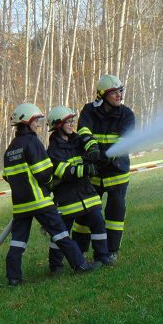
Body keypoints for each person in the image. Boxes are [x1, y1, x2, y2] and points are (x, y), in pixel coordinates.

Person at [3, 103, 101, 286]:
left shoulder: (10, 149)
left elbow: (7, 176)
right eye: (36, 121)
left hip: (20, 204)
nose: (39, 125)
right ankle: (79, 264)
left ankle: (13, 277)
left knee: (18, 241)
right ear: (27, 121)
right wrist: (50, 185)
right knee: (61, 233)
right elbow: (45, 172)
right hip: (40, 201)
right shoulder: (32, 142)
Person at [46, 105, 113, 273]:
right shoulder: (53, 150)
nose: (71, 124)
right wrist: (86, 169)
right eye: (68, 122)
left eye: (72, 121)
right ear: (58, 125)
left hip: (86, 194)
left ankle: (102, 257)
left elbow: (88, 142)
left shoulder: (77, 140)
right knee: (61, 234)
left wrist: (96, 152)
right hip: (67, 198)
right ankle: (55, 266)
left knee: (98, 222)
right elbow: (63, 171)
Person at [77, 74, 135, 264]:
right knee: (85, 213)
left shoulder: (127, 114)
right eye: (114, 92)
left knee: (115, 212)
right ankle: (79, 251)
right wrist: (92, 148)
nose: (119, 95)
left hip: (117, 172)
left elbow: (124, 142)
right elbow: (84, 131)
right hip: (93, 173)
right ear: (102, 96)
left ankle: (111, 252)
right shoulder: (88, 111)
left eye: (120, 91)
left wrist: (105, 155)